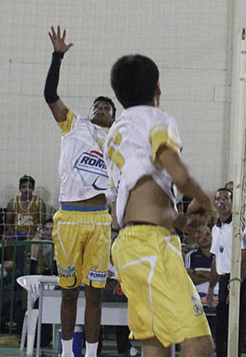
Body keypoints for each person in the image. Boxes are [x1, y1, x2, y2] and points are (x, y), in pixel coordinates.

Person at [106, 53, 216, 357]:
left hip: (127, 246)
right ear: (158, 86)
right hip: (151, 246)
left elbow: (139, 197)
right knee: (199, 344)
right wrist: (204, 199)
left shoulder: (116, 132)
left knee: (156, 343)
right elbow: (180, 175)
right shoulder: (156, 119)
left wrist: (181, 223)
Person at [45, 25, 117, 357]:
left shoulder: (118, 139)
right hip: (70, 217)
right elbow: (50, 95)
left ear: (114, 116)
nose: (101, 108)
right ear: (90, 112)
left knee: (95, 293)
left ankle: (89, 354)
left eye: (107, 106)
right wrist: (57, 57)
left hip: (100, 219)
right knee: (69, 291)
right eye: (97, 105)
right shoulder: (75, 124)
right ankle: (65, 352)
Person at [211, 187, 246, 357]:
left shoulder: (240, 225)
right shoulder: (216, 228)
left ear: (232, 202)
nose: (222, 202)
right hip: (223, 280)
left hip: (239, 279)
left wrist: (235, 284)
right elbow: (216, 259)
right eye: (219, 199)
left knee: (236, 327)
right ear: (215, 204)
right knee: (221, 326)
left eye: (226, 199)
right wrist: (210, 288)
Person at [6, 174, 47, 239]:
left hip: (33, 231)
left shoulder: (39, 202)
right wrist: (11, 231)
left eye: (29, 187)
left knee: (37, 238)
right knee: (8, 237)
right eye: (24, 187)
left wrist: (34, 230)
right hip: (17, 231)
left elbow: (42, 222)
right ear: (19, 189)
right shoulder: (12, 202)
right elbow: (8, 222)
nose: (26, 190)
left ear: (33, 189)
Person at [185, 227, 216, 305]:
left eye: (207, 234)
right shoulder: (191, 255)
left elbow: (224, 277)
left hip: (218, 294)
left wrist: (198, 272)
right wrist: (214, 277)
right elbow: (190, 279)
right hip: (197, 296)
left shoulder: (220, 254)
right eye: (201, 235)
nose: (204, 237)